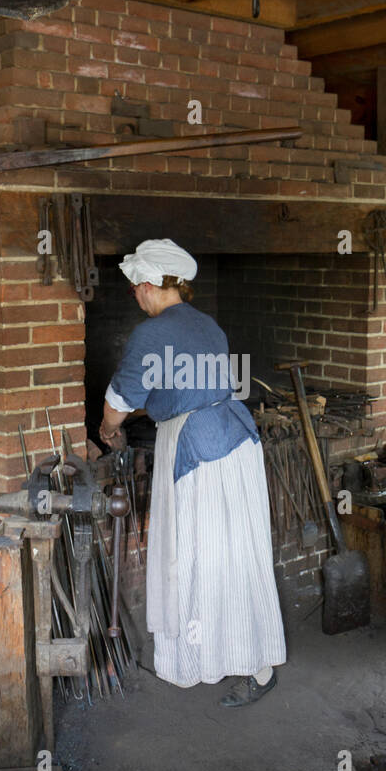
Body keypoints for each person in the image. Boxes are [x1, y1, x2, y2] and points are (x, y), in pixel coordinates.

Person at [99, 239, 286, 707]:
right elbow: (186, 382)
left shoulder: (150, 332)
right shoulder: (209, 326)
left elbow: (119, 401)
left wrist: (107, 430)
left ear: (146, 285)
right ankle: (254, 662)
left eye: (134, 287)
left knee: (199, 556)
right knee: (239, 555)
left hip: (198, 453)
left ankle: (212, 659)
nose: (134, 296)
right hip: (237, 442)